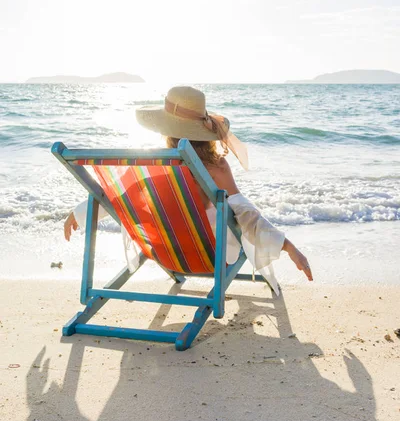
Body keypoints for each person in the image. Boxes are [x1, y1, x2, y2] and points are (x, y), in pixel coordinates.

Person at [64, 86, 313, 285]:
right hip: (210, 256)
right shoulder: (217, 167)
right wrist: (288, 246)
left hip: (163, 251)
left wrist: (81, 213)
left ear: (164, 129)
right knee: (230, 209)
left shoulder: (152, 163)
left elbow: (118, 197)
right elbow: (245, 212)